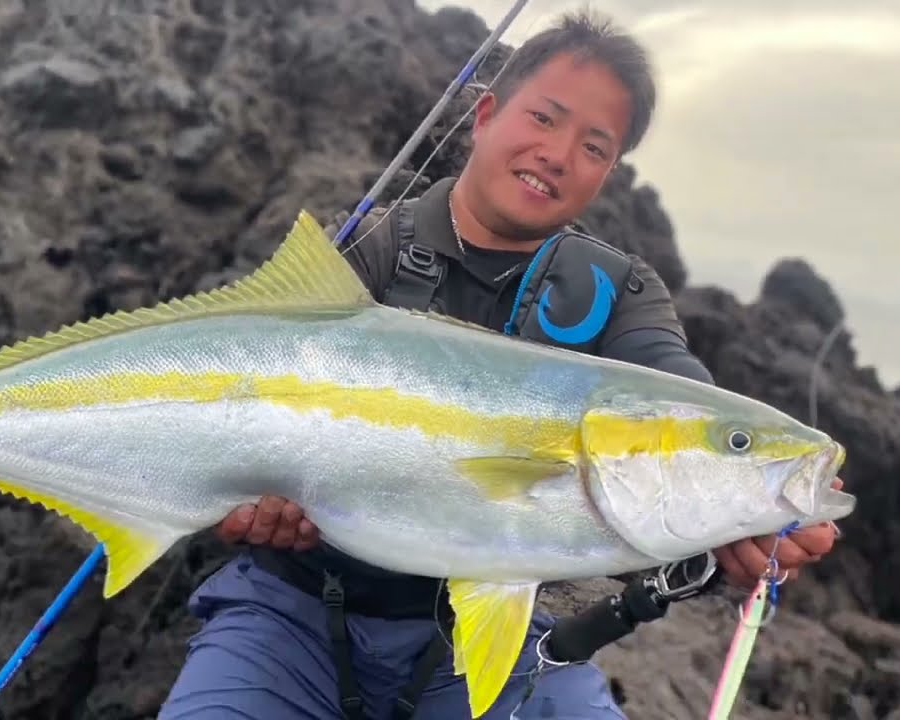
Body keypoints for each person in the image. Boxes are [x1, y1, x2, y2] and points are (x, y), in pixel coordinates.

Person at [158, 9, 841, 719]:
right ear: (485, 115)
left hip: (506, 634)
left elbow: (678, 395)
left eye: (593, 146)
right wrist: (225, 505)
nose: (557, 152)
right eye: (544, 118)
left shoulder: (618, 294)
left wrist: (748, 512)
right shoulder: (371, 249)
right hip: (292, 614)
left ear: (607, 174)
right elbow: (229, 406)